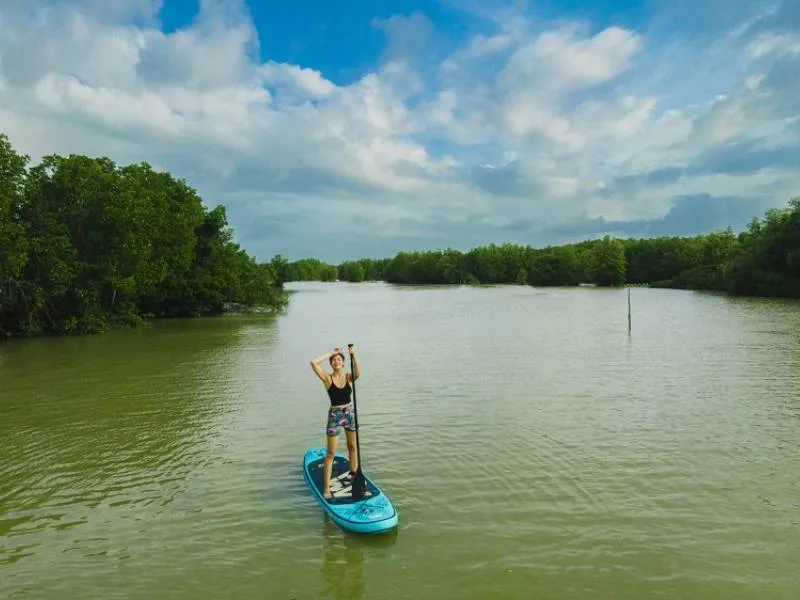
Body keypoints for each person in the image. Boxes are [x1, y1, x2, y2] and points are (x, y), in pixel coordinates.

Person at [310, 344, 360, 500]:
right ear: (332, 364)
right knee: (331, 453)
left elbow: (357, 374)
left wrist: (353, 356)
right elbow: (313, 362)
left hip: (349, 413)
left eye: (339, 359)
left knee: (353, 447)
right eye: (334, 360)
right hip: (335, 415)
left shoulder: (348, 377)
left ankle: (354, 478)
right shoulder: (327, 378)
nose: (336, 362)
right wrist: (331, 353)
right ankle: (326, 488)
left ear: (343, 363)